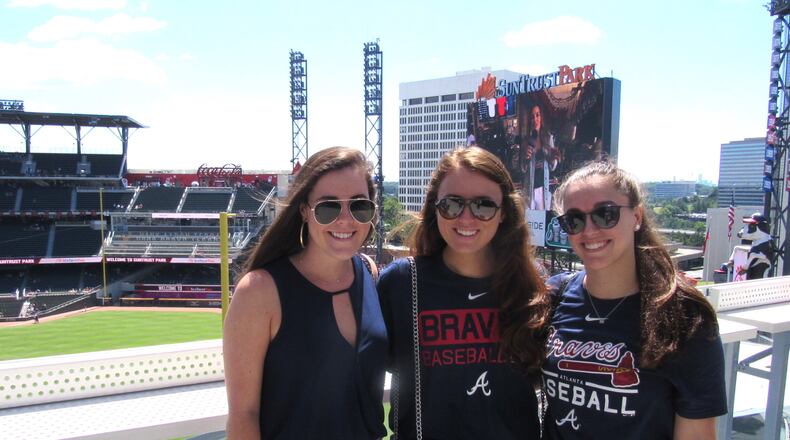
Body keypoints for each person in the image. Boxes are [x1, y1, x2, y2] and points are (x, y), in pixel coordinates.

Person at [541, 161, 726, 439]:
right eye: (574, 220)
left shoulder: (685, 318)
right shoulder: (554, 297)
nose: (589, 230)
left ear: (637, 216)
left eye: (606, 214)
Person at [378, 146, 549, 440]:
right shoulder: (402, 282)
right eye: (452, 205)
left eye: (483, 205)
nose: (466, 218)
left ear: (503, 212)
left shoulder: (532, 285)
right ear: (435, 208)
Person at [223, 147, 388, 440]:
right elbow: (243, 415)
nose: (346, 219)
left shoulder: (369, 272)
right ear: (304, 211)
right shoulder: (259, 291)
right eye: (328, 207)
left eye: (360, 206)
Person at [522, 104, 561, 210]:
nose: (535, 119)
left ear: (541, 117)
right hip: (529, 188)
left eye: (537, 115)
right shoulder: (526, 140)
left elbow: (553, 167)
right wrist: (525, 158)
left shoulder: (548, 137)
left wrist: (554, 158)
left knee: (542, 220)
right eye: (532, 116)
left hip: (543, 188)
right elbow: (522, 168)